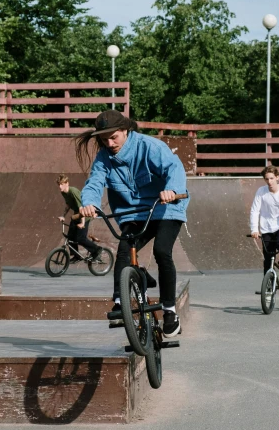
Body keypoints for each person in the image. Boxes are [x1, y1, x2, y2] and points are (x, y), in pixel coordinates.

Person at [75, 109, 188, 337]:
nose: (109, 143)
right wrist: (88, 203)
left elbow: (173, 168)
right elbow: (95, 182)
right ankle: (120, 302)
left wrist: (172, 190)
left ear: (125, 130)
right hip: (133, 213)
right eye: (104, 139)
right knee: (125, 251)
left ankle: (169, 311)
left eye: (114, 137)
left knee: (162, 251)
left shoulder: (150, 147)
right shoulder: (104, 158)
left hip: (165, 207)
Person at [56, 174, 101, 262]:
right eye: (59, 184)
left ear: (67, 183)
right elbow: (68, 205)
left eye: (61, 184)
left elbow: (82, 208)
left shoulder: (73, 191)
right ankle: (77, 256)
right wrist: (63, 216)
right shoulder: (64, 193)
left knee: (80, 238)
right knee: (70, 237)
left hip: (85, 214)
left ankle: (97, 250)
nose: (60, 186)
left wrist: (83, 223)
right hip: (77, 215)